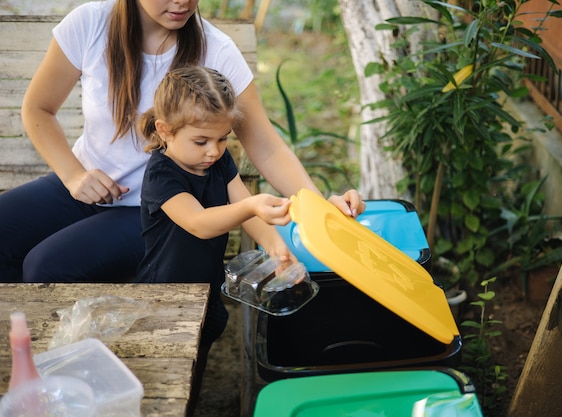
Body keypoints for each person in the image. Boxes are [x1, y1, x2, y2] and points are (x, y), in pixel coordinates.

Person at [0, 0, 364, 283]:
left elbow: (267, 146)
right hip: (86, 186)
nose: (182, 3)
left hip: (161, 208)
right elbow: (39, 108)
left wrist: (320, 209)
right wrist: (74, 176)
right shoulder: (90, 24)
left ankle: (82, 366)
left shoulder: (217, 51)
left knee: (47, 266)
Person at [136, 65, 293, 344]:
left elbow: (246, 206)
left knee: (203, 347)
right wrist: (251, 207)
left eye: (223, 138)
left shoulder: (218, 161)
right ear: (165, 130)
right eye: (201, 141)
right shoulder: (162, 174)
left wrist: (274, 247)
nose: (214, 150)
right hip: (165, 294)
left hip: (207, 285)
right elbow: (199, 223)